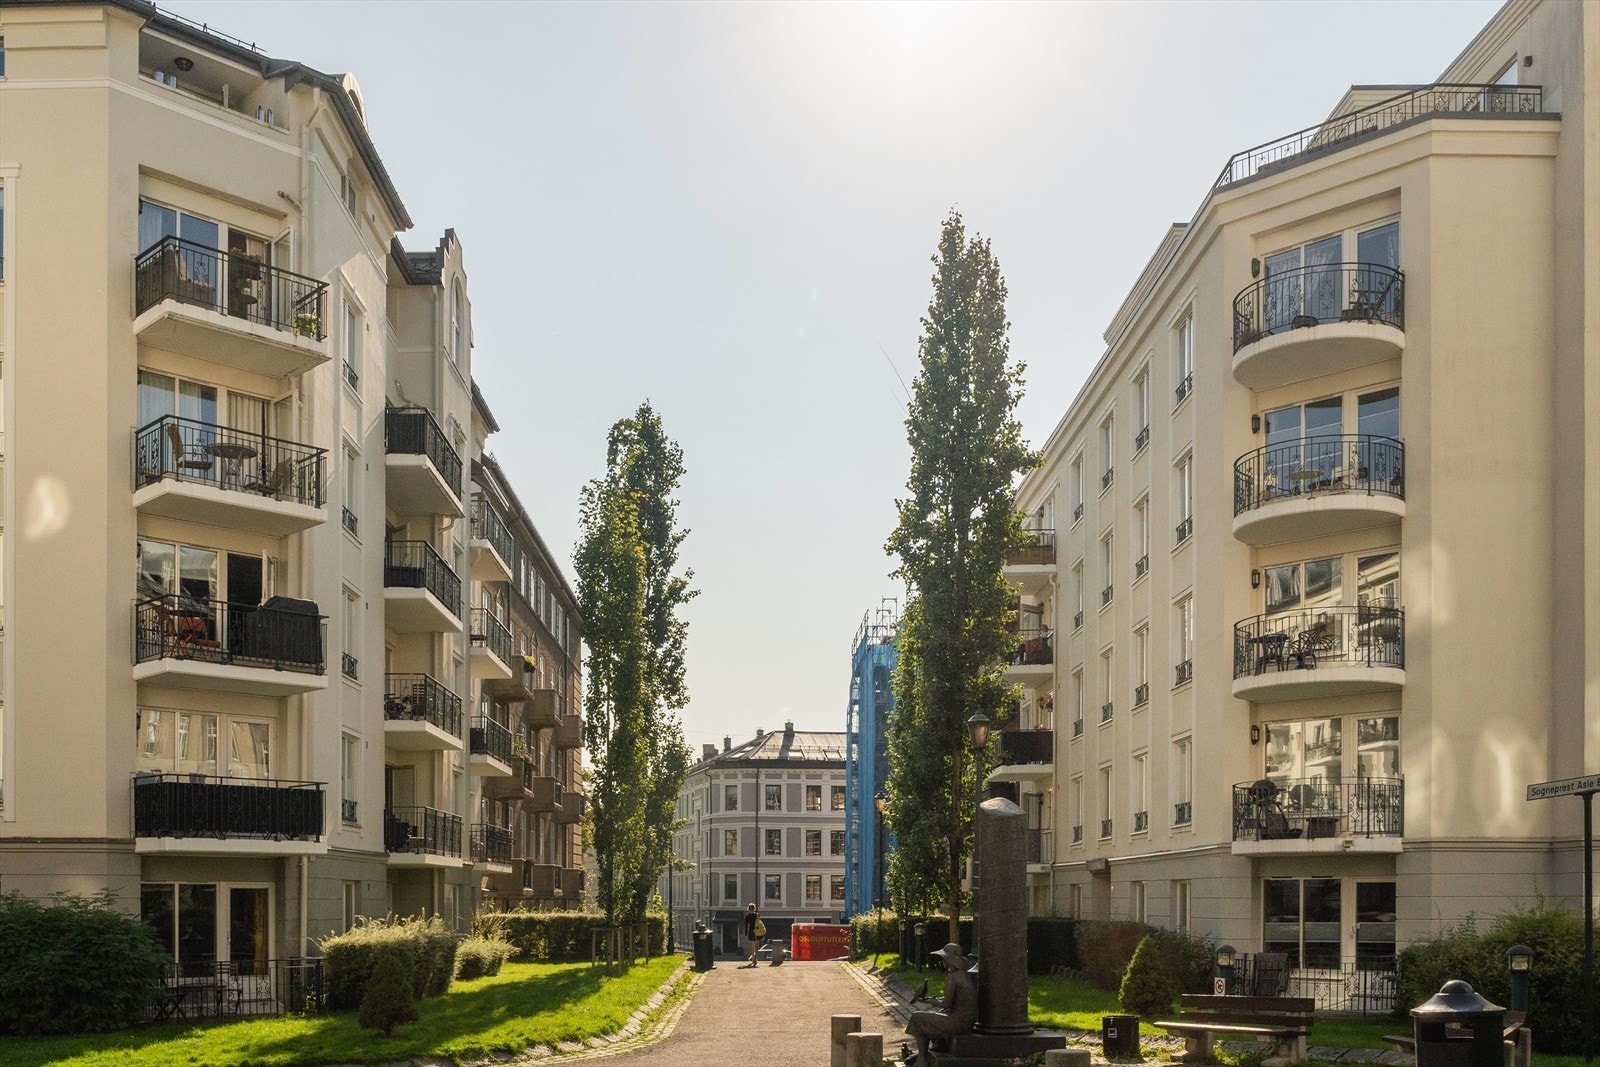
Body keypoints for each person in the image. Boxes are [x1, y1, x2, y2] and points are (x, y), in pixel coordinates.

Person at [906, 943, 977, 1064]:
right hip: (967, 1022)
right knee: (935, 1014)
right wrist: (935, 1000)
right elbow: (955, 1000)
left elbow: (946, 1004)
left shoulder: (953, 977)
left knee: (917, 1018)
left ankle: (922, 1058)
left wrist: (933, 1002)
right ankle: (934, 1048)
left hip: (958, 1023)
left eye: (944, 958)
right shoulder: (965, 975)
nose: (942, 961)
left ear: (949, 960)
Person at [742, 902, 761, 967]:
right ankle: (755, 957)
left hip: (751, 931)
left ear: (749, 909)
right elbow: (759, 923)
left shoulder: (747, 916)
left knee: (752, 946)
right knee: (757, 945)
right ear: (754, 908)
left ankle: (753, 958)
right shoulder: (757, 915)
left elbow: (746, 925)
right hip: (757, 931)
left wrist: (745, 933)